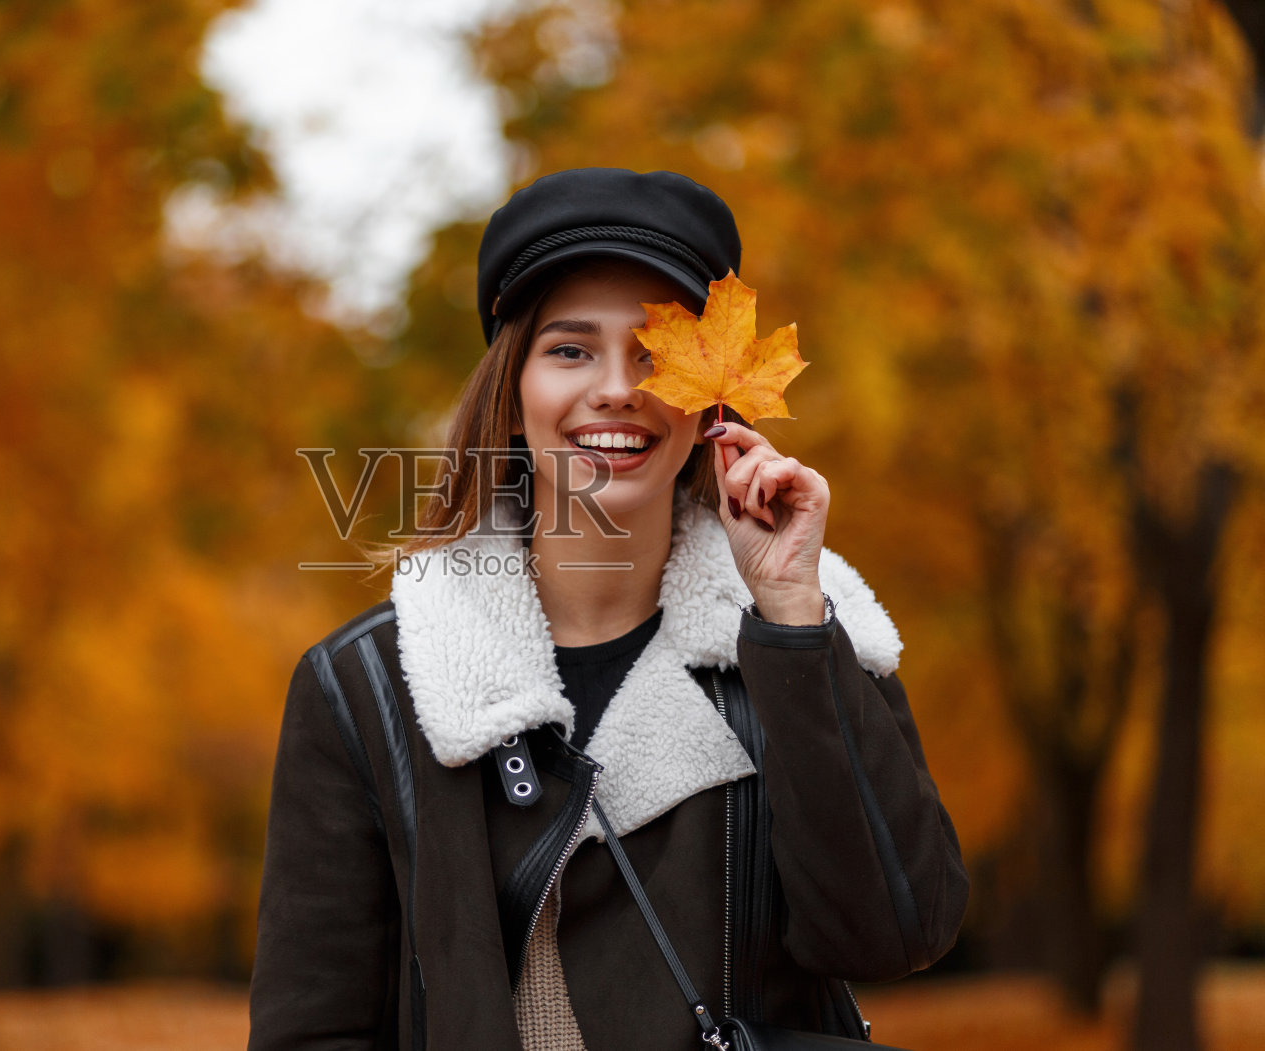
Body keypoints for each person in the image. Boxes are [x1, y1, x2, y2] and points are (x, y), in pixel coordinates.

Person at [248, 167, 968, 1050]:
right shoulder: (364, 688)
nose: (617, 388)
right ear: (512, 395)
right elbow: (313, 1030)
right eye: (571, 349)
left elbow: (895, 933)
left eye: (656, 354)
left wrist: (788, 619)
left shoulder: (809, 637)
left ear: (711, 402)